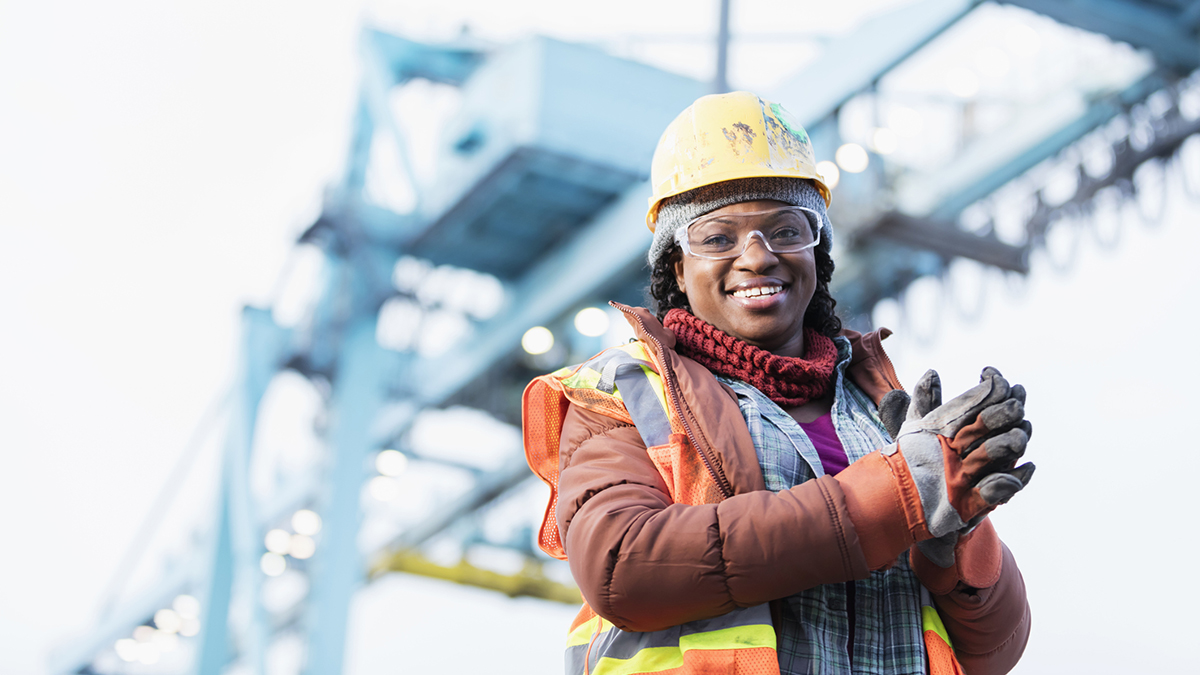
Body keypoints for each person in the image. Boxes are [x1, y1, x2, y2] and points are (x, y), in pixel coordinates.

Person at [522, 92, 1035, 675]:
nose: (757, 256)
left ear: (817, 252)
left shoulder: (877, 411)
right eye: (716, 238)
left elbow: (994, 651)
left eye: (785, 230)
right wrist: (894, 498)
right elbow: (623, 567)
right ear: (676, 270)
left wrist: (957, 545)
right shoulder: (623, 393)